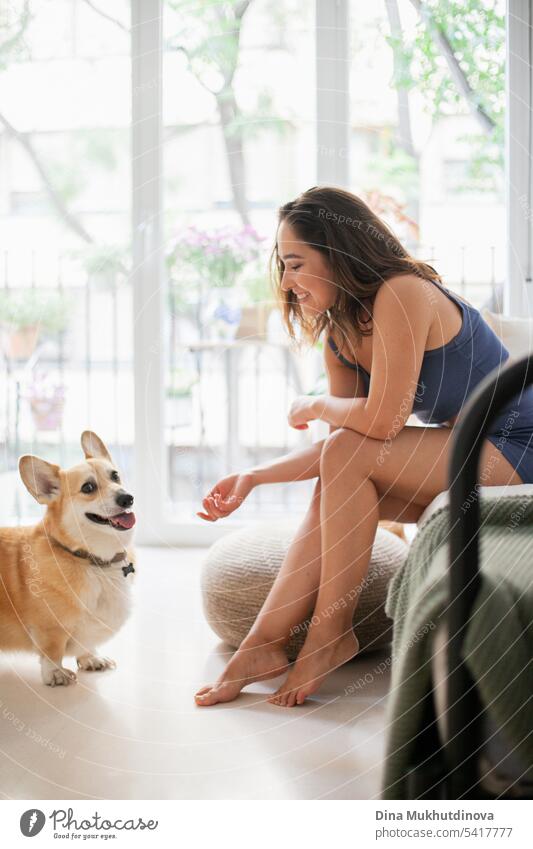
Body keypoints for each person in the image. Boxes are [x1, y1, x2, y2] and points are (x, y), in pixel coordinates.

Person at [194, 185, 533, 709]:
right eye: (282, 267)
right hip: (471, 460)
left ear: (337, 253)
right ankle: (264, 641)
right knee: (335, 484)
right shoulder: (341, 334)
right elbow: (344, 451)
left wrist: (313, 404)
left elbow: (382, 419)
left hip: (517, 445)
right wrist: (255, 477)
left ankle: (331, 633)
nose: (286, 282)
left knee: (343, 463)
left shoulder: (402, 292)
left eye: (295, 263)